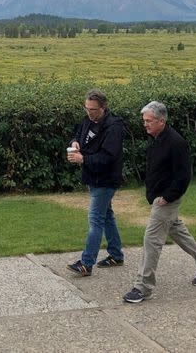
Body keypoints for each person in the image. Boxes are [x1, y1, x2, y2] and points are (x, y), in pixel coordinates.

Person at [123, 101, 196, 303]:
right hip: (158, 197)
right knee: (178, 232)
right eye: (144, 121)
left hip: (167, 200)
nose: (145, 125)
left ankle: (143, 287)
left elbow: (183, 177)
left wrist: (167, 197)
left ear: (161, 120)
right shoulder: (155, 138)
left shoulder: (176, 143)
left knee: (152, 240)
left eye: (149, 121)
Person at [66, 89, 125, 277]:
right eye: (87, 108)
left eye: (93, 109)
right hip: (92, 177)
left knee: (95, 220)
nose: (89, 112)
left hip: (105, 179)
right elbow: (79, 135)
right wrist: (75, 143)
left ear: (103, 107)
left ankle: (86, 263)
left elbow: (108, 157)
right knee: (106, 215)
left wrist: (84, 160)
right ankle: (116, 255)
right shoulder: (88, 121)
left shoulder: (113, 127)